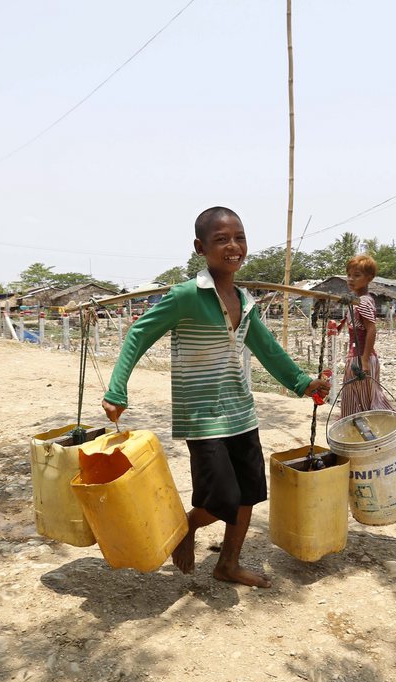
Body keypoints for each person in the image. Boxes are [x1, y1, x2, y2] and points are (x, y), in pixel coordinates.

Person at [101, 207, 329, 588]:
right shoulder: (187, 296)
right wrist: (116, 389)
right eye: (222, 239)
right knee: (219, 496)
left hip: (242, 412)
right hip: (202, 416)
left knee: (249, 493)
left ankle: (228, 564)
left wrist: (303, 383)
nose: (233, 246)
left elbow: (267, 349)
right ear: (200, 247)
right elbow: (138, 334)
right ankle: (185, 529)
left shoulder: (244, 299)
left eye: (239, 237)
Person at [338, 254, 394, 417]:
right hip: (356, 357)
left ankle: (373, 438)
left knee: (362, 405)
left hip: (361, 358)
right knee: (355, 400)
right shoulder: (357, 300)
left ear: (369, 278)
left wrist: (364, 361)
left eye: (357, 275)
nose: (351, 279)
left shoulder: (363, 301)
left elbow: (371, 329)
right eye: (349, 275)